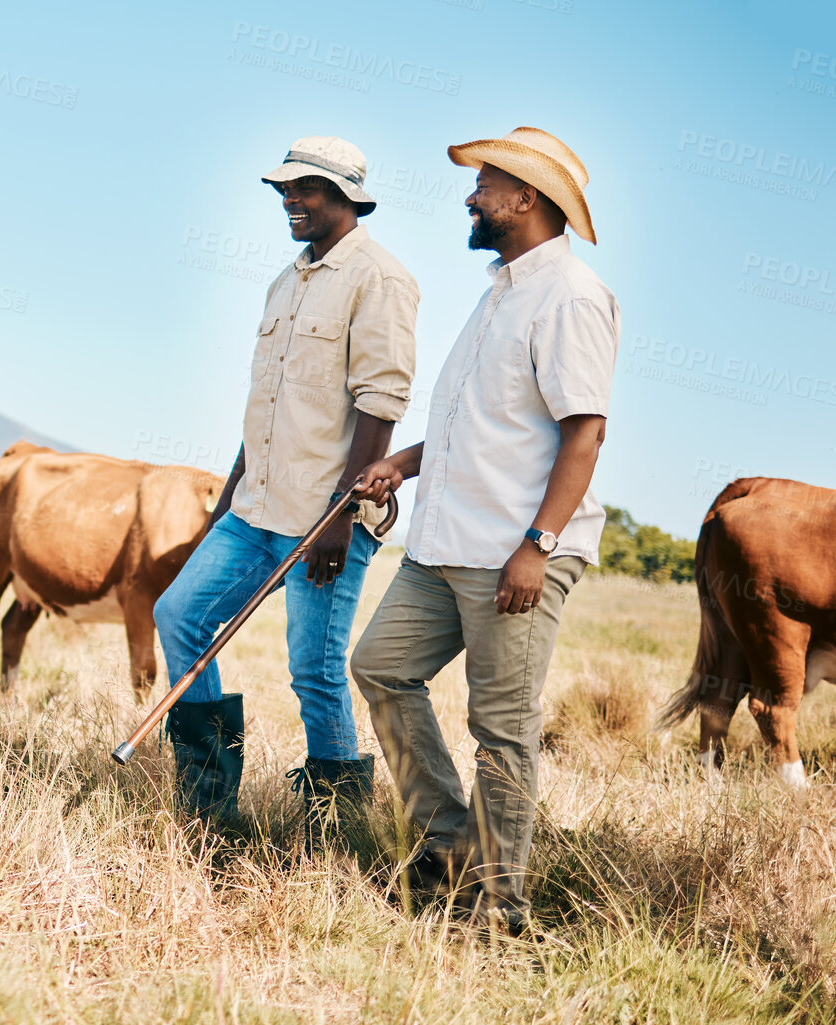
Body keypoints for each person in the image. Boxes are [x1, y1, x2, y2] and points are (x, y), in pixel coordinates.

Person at [349, 127, 619, 933]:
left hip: (514, 552)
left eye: (485, 185)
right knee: (381, 667)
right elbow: (483, 425)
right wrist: (402, 462)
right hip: (441, 544)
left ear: (526, 198)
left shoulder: (570, 295)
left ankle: (498, 910)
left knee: (502, 733)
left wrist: (536, 546)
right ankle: (449, 845)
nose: (471, 196)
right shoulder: (499, 291)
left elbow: (585, 433)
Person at [153, 136, 418, 828]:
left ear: (345, 196)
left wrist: (340, 511)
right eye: (284, 190)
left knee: (316, 672)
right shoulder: (284, 281)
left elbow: (380, 404)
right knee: (179, 614)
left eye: (305, 190)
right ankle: (209, 805)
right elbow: (265, 413)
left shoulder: (380, 279)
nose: (290, 202)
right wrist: (221, 509)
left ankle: (336, 829)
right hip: (253, 510)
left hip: (322, 518)